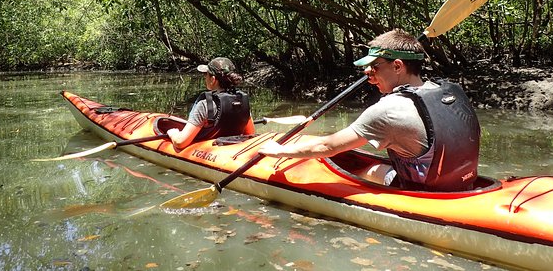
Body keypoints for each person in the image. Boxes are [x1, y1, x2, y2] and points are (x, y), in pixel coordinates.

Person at [259, 29, 480, 191]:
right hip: (463, 183)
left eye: (374, 66)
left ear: (397, 66)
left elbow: (328, 146)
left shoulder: (389, 110)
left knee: (367, 172)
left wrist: (279, 151)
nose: (368, 73)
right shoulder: (447, 91)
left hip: (425, 192)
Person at [167, 57, 254, 149]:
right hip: (233, 151)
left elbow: (180, 143)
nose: (205, 78)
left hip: (211, 153)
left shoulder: (205, 105)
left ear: (213, 79)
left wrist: (173, 134)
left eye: (206, 75)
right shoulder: (242, 101)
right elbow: (251, 134)